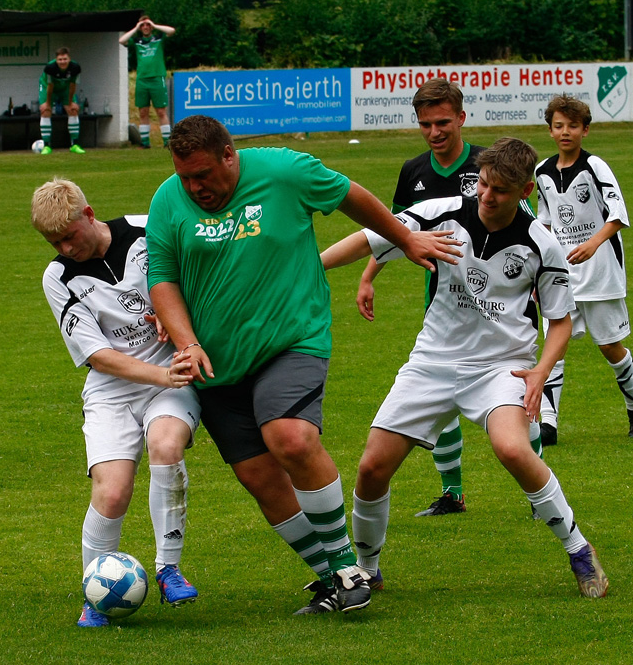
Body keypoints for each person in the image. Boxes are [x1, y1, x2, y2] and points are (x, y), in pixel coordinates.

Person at [145, 114, 459, 614]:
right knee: (259, 478)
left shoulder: (285, 171)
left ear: (230, 155)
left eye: (203, 174)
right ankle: (332, 578)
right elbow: (162, 278)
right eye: (185, 176)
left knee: (289, 436)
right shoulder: (168, 199)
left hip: (292, 339)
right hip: (216, 364)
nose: (194, 187)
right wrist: (186, 343)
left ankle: (346, 566)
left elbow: (350, 194)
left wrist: (404, 237)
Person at [321, 137, 609, 599]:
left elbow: (560, 322)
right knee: (372, 467)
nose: (486, 196)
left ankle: (578, 549)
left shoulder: (542, 245)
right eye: (484, 185)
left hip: (501, 366)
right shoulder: (441, 211)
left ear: (525, 192)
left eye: (499, 189)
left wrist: (541, 372)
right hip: (432, 362)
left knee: (513, 451)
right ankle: (368, 569)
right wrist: (316, 267)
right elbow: (368, 239)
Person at [32, 178, 201, 628]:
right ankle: (96, 593)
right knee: (112, 491)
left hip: (173, 378)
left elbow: (196, 274)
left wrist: (174, 315)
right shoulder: (58, 277)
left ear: (89, 215)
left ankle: (168, 568)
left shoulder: (148, 230)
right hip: (113, 390)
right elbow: (99, 357)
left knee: (166, 446)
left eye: (70, 235)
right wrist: (161, 372)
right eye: (54, 242)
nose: (65, 248)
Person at [534, 94, 633, 441]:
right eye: (558, 126)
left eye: (572, 126)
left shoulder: (594, 166)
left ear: (585, 130)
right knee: (554, 349)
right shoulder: (542, 172)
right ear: (550, 130)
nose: (565, 132)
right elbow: (544, 223)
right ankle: (548, 424)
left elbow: (618, 215)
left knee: (610, 348)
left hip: (600, 274)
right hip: (561, 276)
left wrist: (592, 243)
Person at [120, 16, 175, 149]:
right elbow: (122, 40)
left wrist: (154, 25)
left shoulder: (158, 39)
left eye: (147, 25)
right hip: (142, 80)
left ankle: (167, 142)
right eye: (143, 25)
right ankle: (145, 143)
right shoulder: (137, 41)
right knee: (143, 111)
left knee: (161, 111)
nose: (145, 27)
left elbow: (171, 31)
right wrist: (136, 27)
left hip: (157, 78)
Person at [37, 48, 85, 154]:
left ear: (69, 59)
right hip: (47, 88)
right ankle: (47, 146)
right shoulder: (50, 68)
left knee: (73, 110)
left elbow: (73, 85)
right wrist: (48, 104)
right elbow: (50, 87)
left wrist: (70, 102)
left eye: (65, 59)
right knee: (46, 111)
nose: (62, 62)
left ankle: (74, 144)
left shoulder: (75, 68)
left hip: (65, 88)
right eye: (60, 59)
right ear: (56, 60)